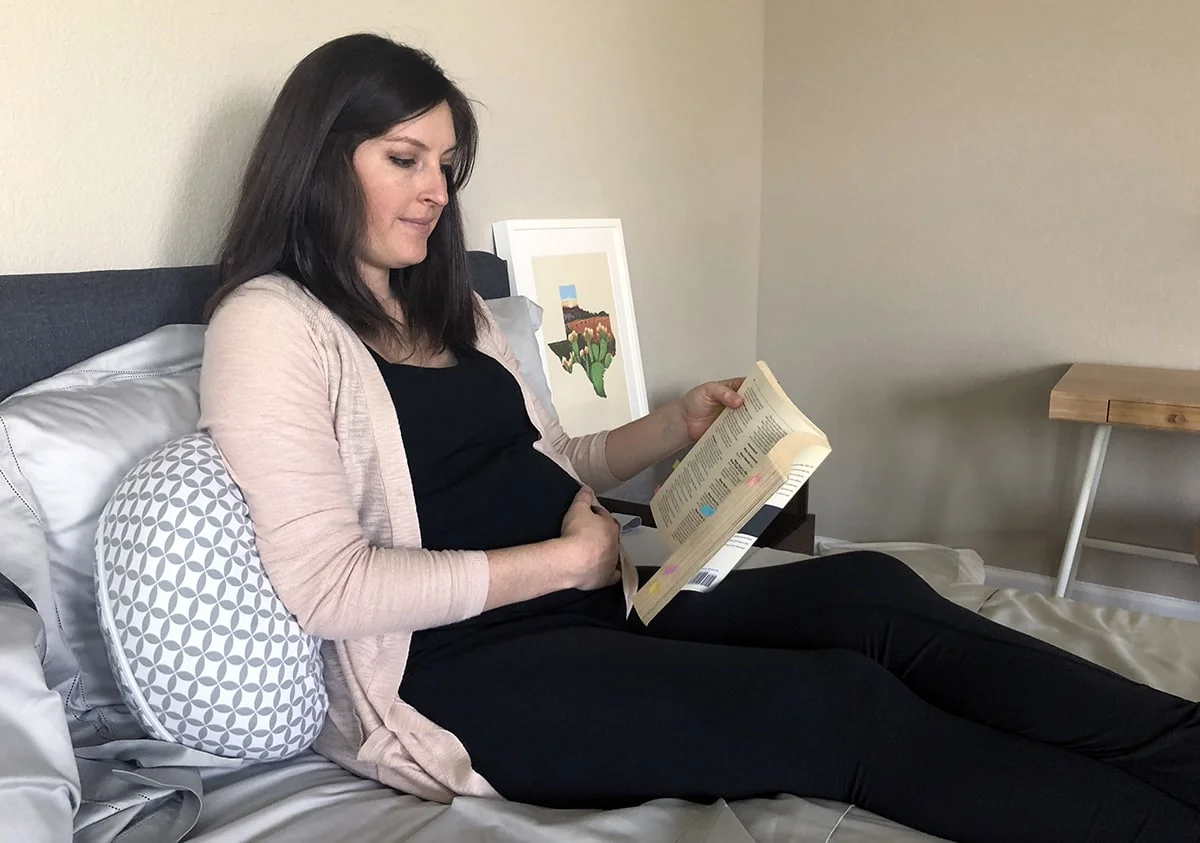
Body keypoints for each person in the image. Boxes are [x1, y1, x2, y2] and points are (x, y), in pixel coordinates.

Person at [198, 33, 1200, 843]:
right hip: (464, 672)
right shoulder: (272, 325)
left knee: (874, 593)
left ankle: (1183, 747)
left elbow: (553, 463)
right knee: (835, 708)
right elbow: (327, 588)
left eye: (447, 166)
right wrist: (559, 563)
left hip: (601, 595)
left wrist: (672, 431)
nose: (437, 191)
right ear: (320, 157)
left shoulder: (452, 306)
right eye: (404, 160)